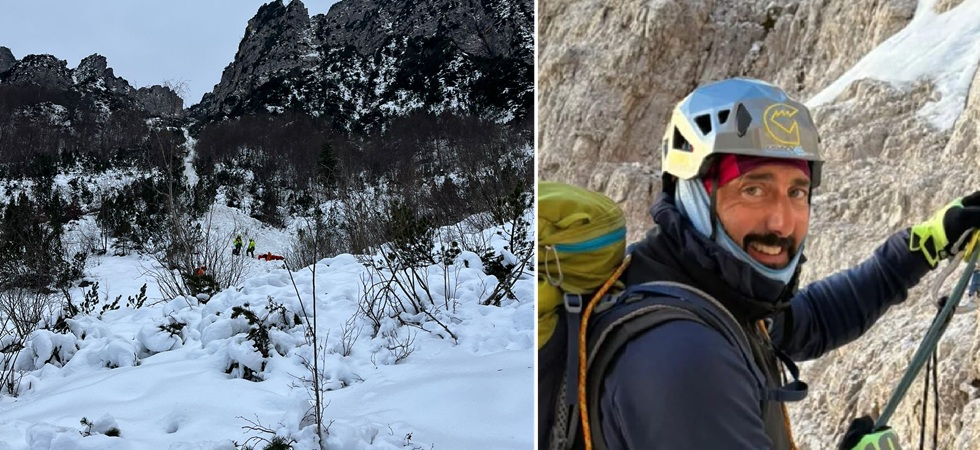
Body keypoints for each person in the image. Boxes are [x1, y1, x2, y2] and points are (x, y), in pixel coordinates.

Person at [580, 78, 980, 449]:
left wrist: (923, 245)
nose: (782, 223)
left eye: (796, 192)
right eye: (753, 189)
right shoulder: (685, 357)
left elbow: (815, 319)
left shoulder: (709, 291)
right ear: (693, 193)